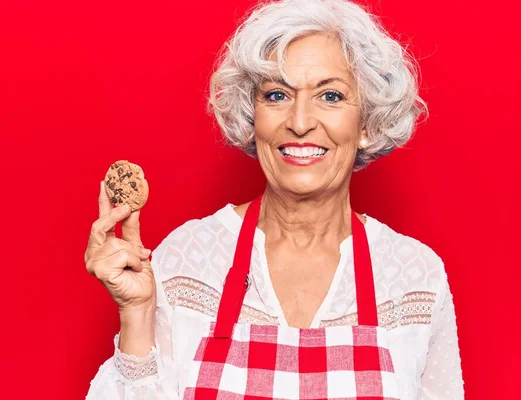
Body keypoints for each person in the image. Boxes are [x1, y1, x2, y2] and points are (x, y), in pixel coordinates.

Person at [84, 0, 464, 398]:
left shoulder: (414, 278)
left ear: (367, 123)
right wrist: (136, 313)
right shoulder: (187, 261)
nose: (299, 122)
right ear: (252, 120)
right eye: (277, 95)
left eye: (330, 96)